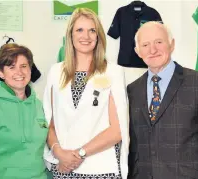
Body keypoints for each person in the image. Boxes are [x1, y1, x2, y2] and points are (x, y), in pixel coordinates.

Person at [127, 21, 198, 179]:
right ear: (137, 51)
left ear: (171, 44)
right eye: (145, 45)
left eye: (159, 42)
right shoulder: (132, 90)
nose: (152, 50)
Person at [43, 8, 129, 179]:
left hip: (101, 168)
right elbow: (49, 122)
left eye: (92, 31)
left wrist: (80, 153)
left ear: (98, 37)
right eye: (79, 30)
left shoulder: (113, 72)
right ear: (70, 35)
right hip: (64, 167)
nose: (86, 36)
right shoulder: (56, 72)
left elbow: (117, 129)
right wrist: (59, 152)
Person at [0, 43, 51, 179]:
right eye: (12, 67)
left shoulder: (39, 105)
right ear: (1, 73)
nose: (19, 72)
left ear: (30, 69)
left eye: (23, 66)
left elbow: (45, 152)